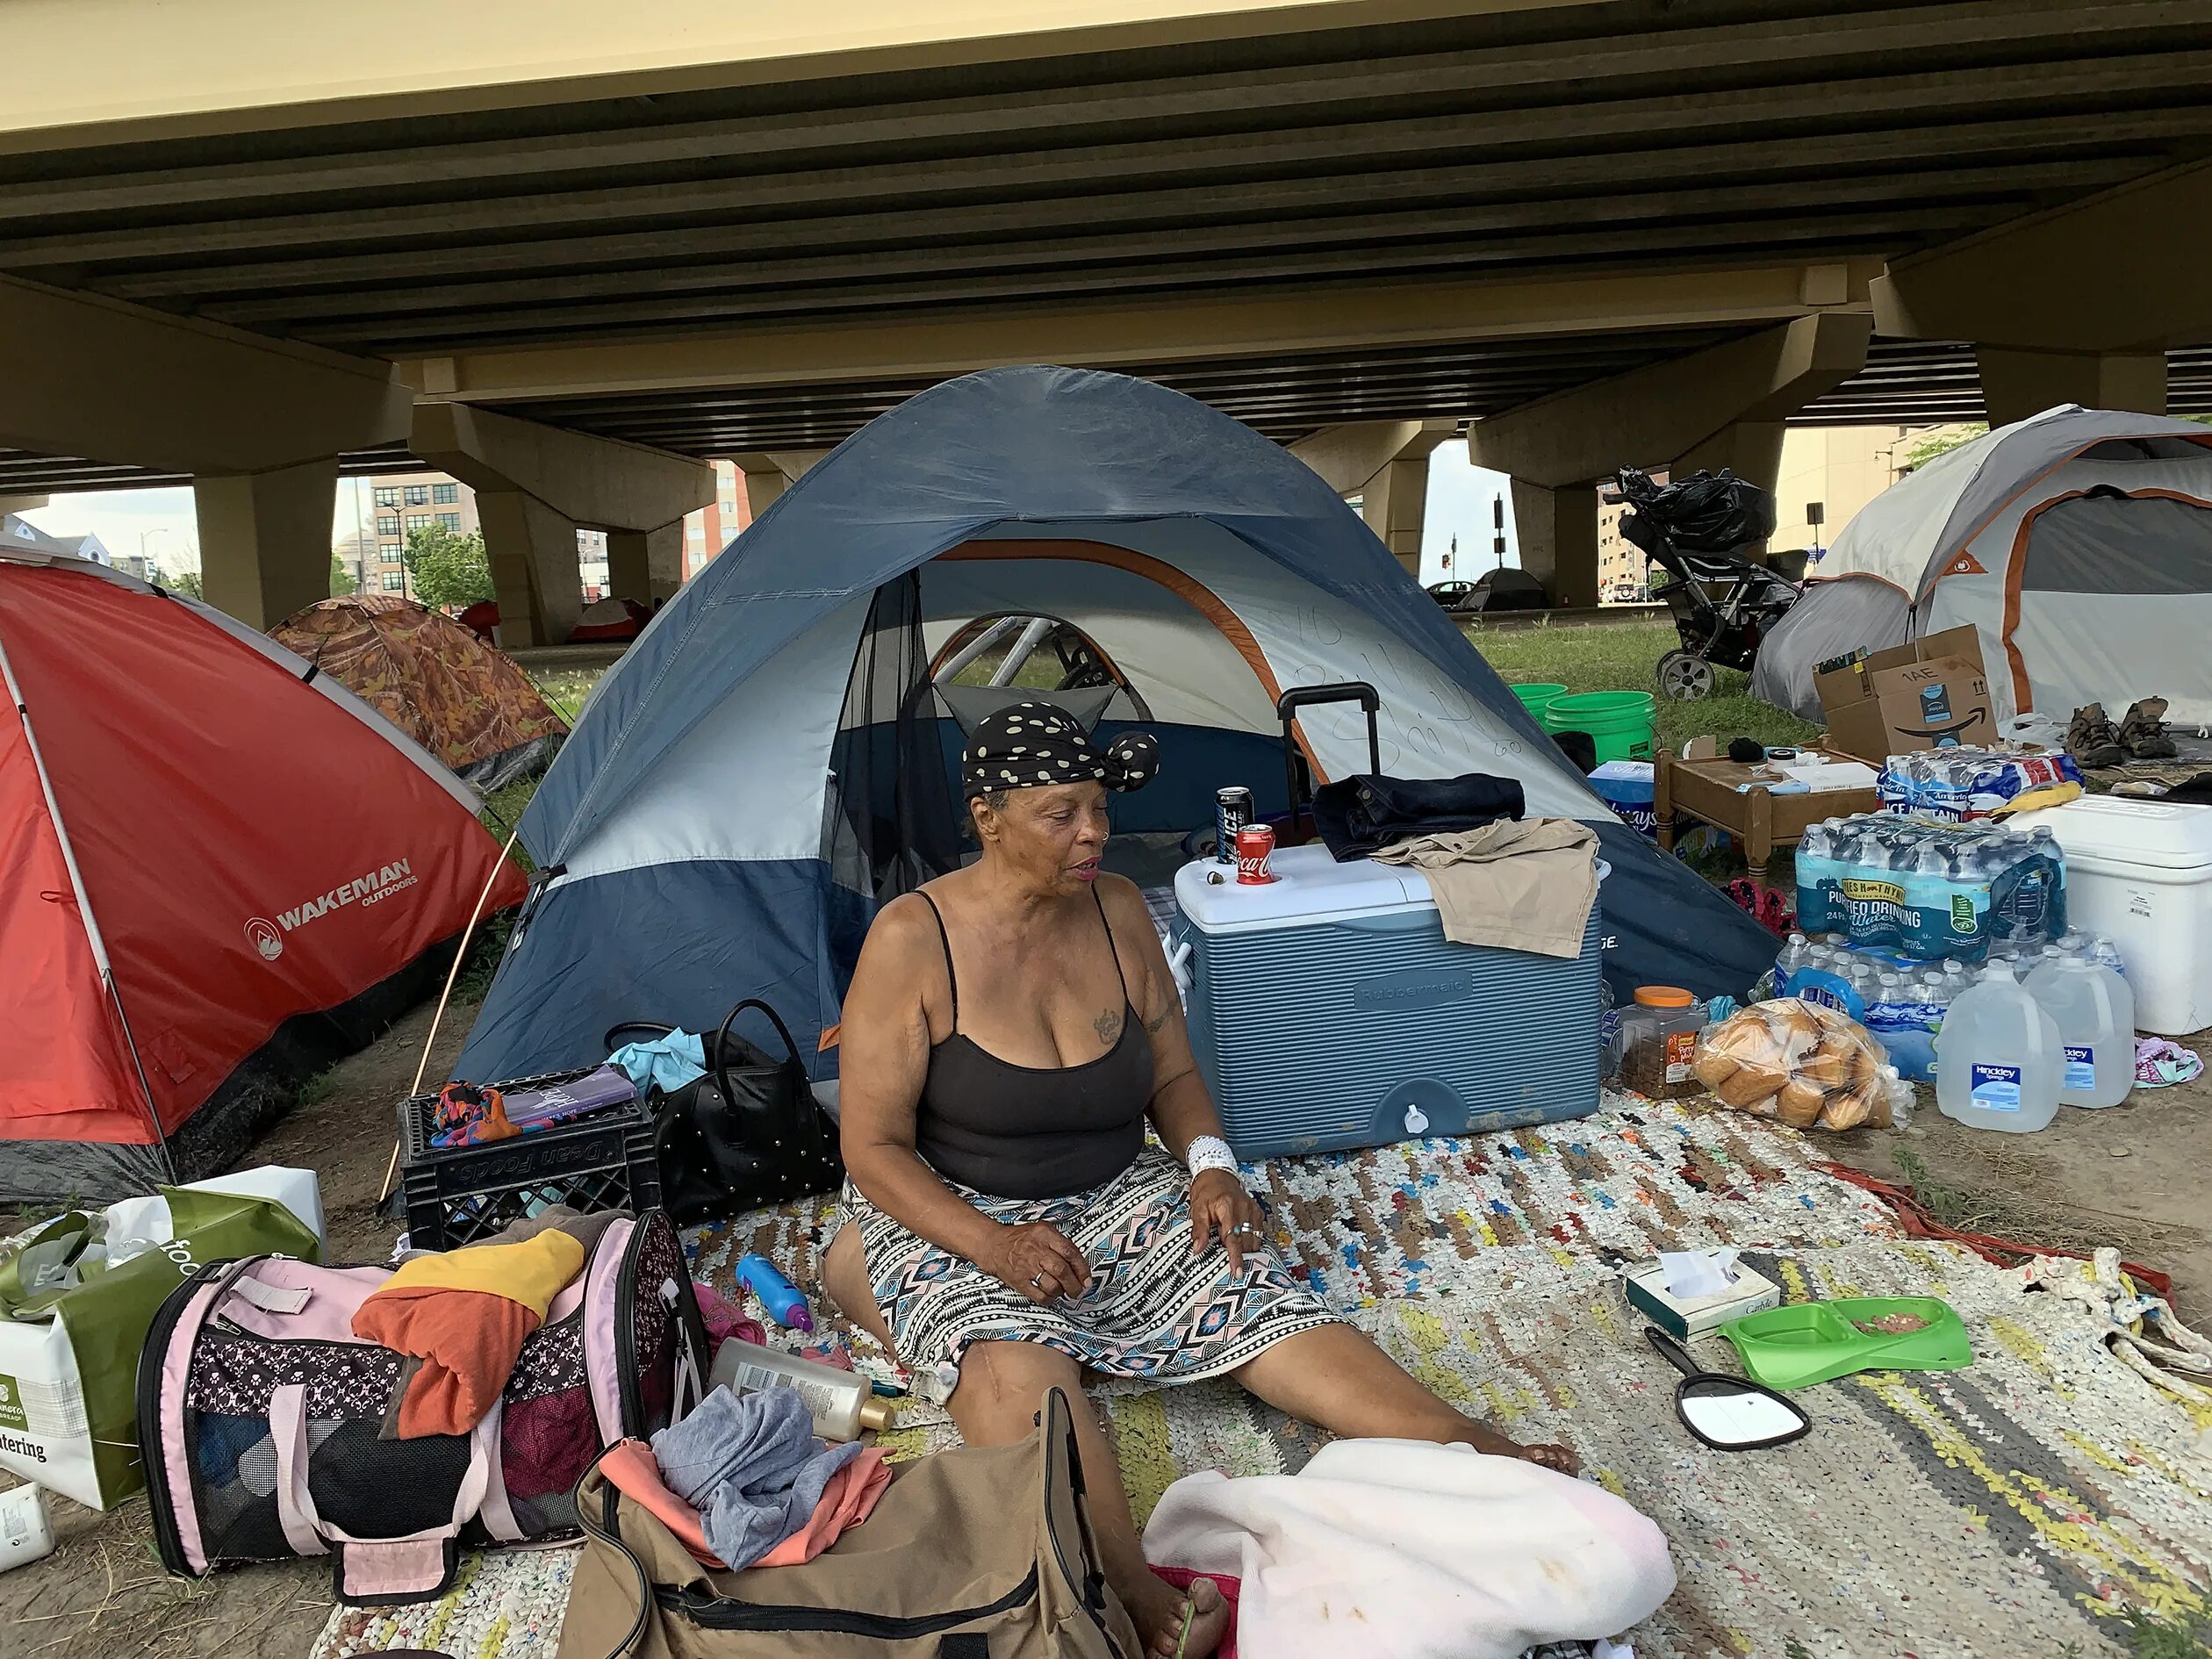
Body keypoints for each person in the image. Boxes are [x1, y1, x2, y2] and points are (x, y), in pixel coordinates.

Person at [824, 702, 1576, 1659]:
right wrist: (995, 1245)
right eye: (1061, 814)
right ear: (989, 816)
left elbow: (1175, 1077)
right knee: (1012, 1359)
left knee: (1244, 1287)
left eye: (1098, 809)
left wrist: (1212, 1167)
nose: (1093, 833)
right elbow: (873, 1148)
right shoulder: (911, 938)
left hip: (1109, 1183)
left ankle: (1466, 1442)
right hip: (957, 1208)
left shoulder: (1121, 909)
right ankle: (1125, 1583)